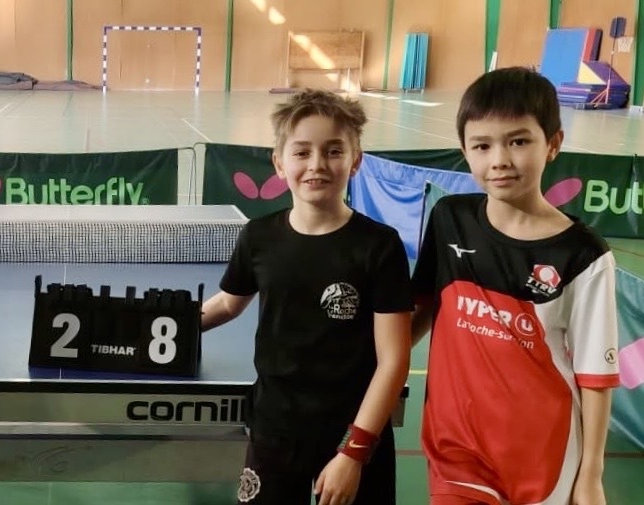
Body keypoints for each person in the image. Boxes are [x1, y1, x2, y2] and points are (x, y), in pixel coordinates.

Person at [411, 67, 619, 505]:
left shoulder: (585, 255)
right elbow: (419, 311)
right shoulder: (450, 218)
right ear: (465, 151)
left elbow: (595, 376)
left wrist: (591, 476)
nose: (499, 159)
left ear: (553, 143)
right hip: (456, 451)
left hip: (544, 459)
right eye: (482, 145)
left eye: (519, 141)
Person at [201, 89, 412, 505]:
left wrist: (353, 452)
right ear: (280, 163)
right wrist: (164, 324)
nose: (317, 164)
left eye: (333, 151)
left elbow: (393, 360)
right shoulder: (259, 237)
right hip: (275, 429)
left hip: (352, 432)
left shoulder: (379, 246)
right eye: (302, 152)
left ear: (356, 160)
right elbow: (227, 303)